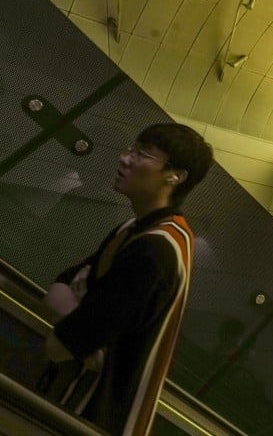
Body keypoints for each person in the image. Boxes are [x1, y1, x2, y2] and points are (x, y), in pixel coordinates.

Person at [40, 123, 213, 435]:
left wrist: (74, 324)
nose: (125, 159)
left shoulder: (155, 251)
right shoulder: (141, 230)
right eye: (130, 150)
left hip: (90, 414)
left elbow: (57, 345)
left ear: (175, 176)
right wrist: (78, 325)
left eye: (141, 155)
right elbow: (60, 285)